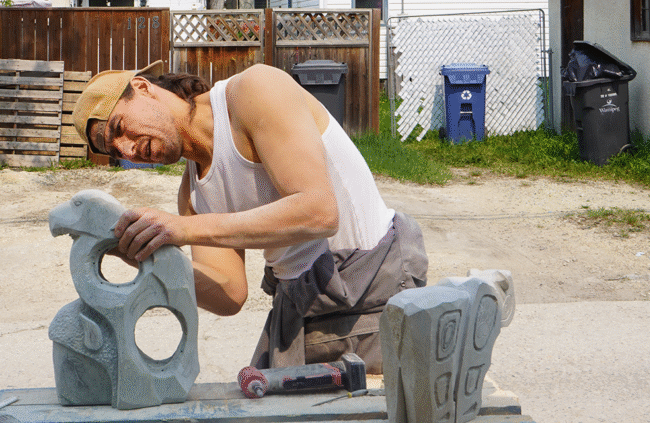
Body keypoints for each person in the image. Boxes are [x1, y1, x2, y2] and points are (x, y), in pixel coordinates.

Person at [72, 60, 428, 374]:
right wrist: (142, 251)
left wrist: (183, 228)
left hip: (368, 296)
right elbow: (229, 294)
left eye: (119, 128)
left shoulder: (253, 92)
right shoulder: (194, 192)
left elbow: (319, 211)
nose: (128, 150)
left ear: (143, 87)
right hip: (299, 310)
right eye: (115, 151)